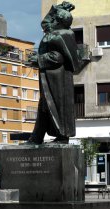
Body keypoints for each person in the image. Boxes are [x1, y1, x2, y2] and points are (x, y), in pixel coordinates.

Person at [27, 1, 80, 144]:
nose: (52, 20)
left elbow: (59, 57)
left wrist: (39, 59)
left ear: (60, 21)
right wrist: (57, 8)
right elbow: (45, 23)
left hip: (58, 80)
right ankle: (37, 137)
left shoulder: (62, 35)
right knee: (45, 107)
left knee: (54, 107)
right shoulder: (56, 32)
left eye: (55, 18)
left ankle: (61, 136)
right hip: (51, 78)